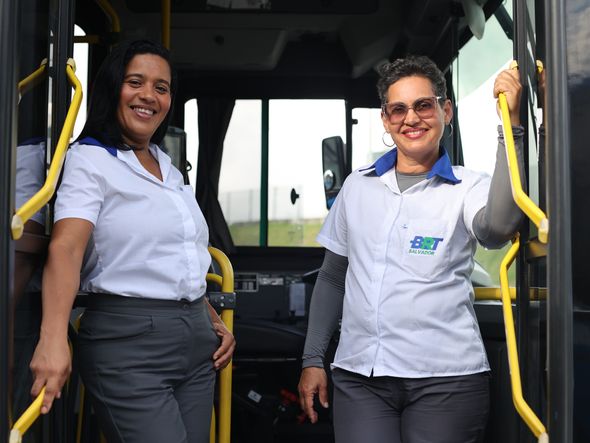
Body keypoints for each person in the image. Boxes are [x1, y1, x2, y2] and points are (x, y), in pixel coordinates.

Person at [298, 56, 524, 443]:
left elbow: (499, 227)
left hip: (446, 382)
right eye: (398, 109)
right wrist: (312, 359)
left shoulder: (468, 187)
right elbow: (334, 276)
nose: (411, 119)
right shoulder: (357, 186)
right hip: (362, 380)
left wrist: (511, 127)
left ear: (445, 110)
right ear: (385, 120)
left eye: (423, 105)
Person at [29, 40, 235, 443]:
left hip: (196, 347)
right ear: (112, 89)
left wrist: (207, 314)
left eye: (162, 87)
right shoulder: (90, 160)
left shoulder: (167, 167)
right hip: (128, 347)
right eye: (135, 82)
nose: (149, 96)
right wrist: (52, 339)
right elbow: (66, 248)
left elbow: (170, 255)